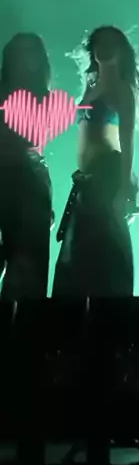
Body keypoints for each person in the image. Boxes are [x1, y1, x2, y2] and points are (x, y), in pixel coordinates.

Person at [53, 26, 139, 297]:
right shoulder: (91, 86)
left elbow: (128, 138)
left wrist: (124, 185)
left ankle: (113, 307)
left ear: (121, 52)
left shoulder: (122, 89)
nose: (104, 48)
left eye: (111, 44)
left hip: (108, 173)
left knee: (106, 250)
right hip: (86, 179)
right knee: (79, 253)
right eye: (99, 43)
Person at [0, 33, 54, 298]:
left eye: (30, 52)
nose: (24, 58)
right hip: (15, 176)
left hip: (30, 181)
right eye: (19, 52)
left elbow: (34, 140)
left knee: (27, 267)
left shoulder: (43, 97)